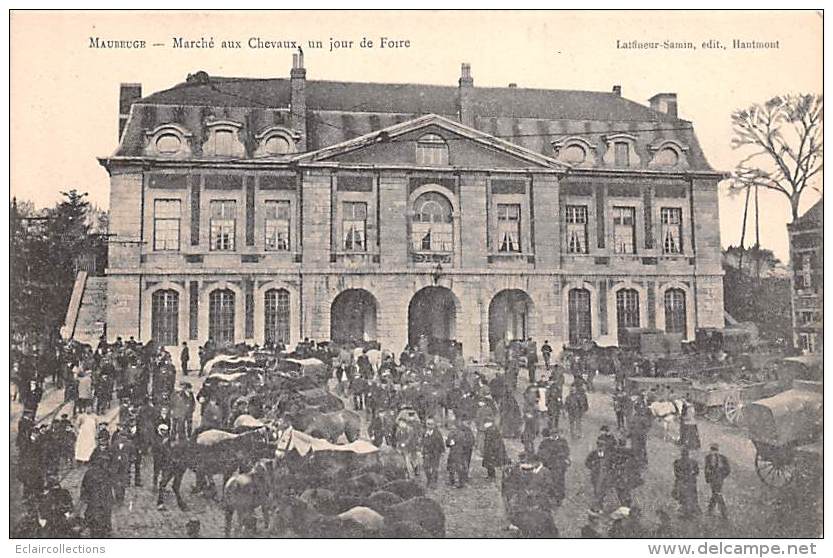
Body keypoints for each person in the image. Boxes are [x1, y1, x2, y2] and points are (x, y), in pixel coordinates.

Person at [79, 452, 115, 537]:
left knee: (96, 517)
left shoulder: (91, 472)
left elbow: (84, 486)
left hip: (98, 499)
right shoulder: (105, 473)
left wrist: (84, 497)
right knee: (100, 518)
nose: (107, 464)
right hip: (100, 499)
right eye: (105, 462)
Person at [536, 428, 570, 508]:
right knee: (548, 482)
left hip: (560, 466)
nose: (554, 435)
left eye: (556, 434)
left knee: (560, 482)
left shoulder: (562, 441)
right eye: (553, 434)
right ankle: (549, 498)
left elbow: (567, 452)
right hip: (549, 466)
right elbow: (540, 453)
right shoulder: (545, 442)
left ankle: (559, 499)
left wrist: (562, 456)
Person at [704, 443, 731, 519]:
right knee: (716, 493)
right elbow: (706, 468)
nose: (713, 451)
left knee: (717, 494)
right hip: (713, 478)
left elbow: (728, 469)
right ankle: (712, 510)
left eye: (714, 449)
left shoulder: (723, 458)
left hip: (719, 478)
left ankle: (723, 512)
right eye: (713, 449)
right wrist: (707, 478)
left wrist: (722, 476)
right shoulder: (708, 458)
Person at [673, 448, 701, 518]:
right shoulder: (691, 462)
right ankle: (687, 512)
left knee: (687, 497)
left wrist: (687, 476)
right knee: (686, 497)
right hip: (686, 482)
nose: (684, 456)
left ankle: (688, 511)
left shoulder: (691, 462)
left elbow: (696, 472)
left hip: (686, 482)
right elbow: (696, 472)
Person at [421, 418, 445, 488]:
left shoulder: (437, 433)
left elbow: (441, 442)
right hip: (427, 453)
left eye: (431, 424)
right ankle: (429, 479)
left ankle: (434, 482)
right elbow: (422, 442)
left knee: (435, 468)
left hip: (435, 453)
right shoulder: (424, 433)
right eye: (428, 424)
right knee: (426, 467)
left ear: (434, 425)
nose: (429, 426)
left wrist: (442, 451)